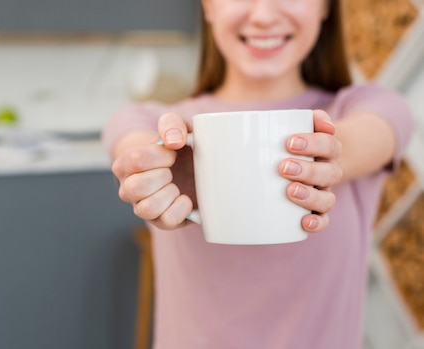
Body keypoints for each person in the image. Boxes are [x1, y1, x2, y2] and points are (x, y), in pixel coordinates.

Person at [102, 0, 414, 348]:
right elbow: (134, 147)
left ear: (326, 6)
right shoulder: (148, 122)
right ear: (207, 6)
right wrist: (154, 168)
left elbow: (368, 136)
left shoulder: (370, 108)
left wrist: (324, 153)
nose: (263, 16)